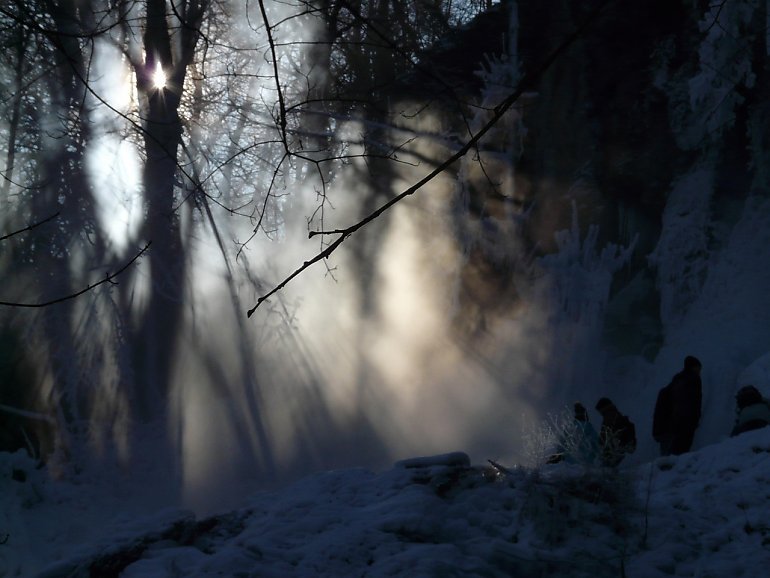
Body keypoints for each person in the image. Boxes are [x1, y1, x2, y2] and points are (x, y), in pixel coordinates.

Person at [653, 355, 702, 456]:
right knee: (677, 456)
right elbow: (690, 403)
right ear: (693, 367)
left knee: (668, 457)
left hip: (669, 426)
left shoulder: (677, 381)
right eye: (698, 368)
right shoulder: (692, 380)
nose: (699, 371)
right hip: (680, 425)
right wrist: (690, 422)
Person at [595, 397, 636, 467]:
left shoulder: (612, 417)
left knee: (607, 468)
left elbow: (606, 434)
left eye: (601, 412)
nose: (600, 414)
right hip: (614, 450)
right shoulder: (612, 417)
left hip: (614, 451)